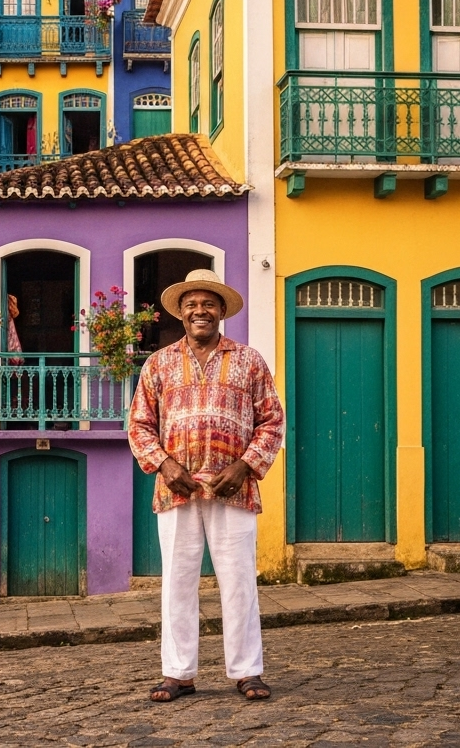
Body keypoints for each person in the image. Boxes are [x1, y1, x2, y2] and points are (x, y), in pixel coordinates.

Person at [128, 269, 284, 703]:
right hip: (176, 490)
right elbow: (139, 425)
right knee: (178, 582)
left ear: (221, 311)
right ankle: (178, 673)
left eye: (208, 304)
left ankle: (247, 671)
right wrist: (162, 464)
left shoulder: (249, 360)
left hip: (232, 490)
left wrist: (245, 466)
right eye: (192, 304)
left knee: (238, 582)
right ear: (181, 313)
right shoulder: (157, 364)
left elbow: (272, 420)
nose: (201, 310)